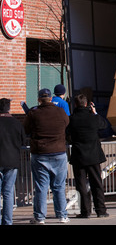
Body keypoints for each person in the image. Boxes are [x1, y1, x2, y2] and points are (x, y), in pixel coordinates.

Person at [24, 88, 70, 224]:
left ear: (39, 99)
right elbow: (66, 124)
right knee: (59, 186)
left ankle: (40, 217)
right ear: (50, 99)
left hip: (40, 153)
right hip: (59, 152)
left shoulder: (33, 113)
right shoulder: (60, 112)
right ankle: (62, 215)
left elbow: (26, 129)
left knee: (41, 187)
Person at [67, 94, 109, 219]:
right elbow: (104, 125)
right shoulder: (93, 118)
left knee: (81, 185)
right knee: (97, 183)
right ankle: (101, 210)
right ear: (86, 104)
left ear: (75, 105)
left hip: (79, 155)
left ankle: (85, 211)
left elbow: (67, 134)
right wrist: (95, 113)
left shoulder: (72, 119)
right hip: (94, 155)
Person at [0, 98, 26, 225]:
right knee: (8, 193)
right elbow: (22, 141)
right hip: (12, 161)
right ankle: (7, 221)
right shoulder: (16, 123)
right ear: (9, 109)